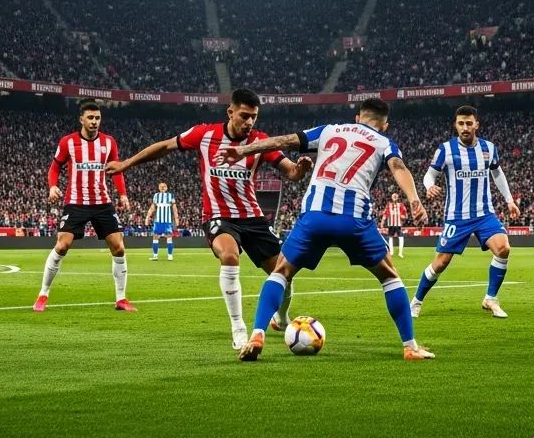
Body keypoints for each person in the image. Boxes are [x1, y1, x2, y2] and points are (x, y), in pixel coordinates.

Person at [223, 98, 434, 362]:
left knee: (282, 271)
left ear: (357, 117)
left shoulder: (329, 130)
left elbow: (283, 141)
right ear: (385, 125)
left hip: (315, 216)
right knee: (390, 276)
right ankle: (410, 346)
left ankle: (257, 333)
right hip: (354, 219)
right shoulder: (383, 142)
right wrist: (414, 200)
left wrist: (244, 151)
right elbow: (398, 167)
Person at [106, 88, 312, 350]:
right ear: (230, 112)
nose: (249, 122)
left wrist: (301, 169)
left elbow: (291, 173)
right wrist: (125, 164)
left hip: (253, 218)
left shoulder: (260, 141)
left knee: (284, 273)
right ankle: (238, 329)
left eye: (254, 117)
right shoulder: (204, 135)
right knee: (229, 255)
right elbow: (165, 146)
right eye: (244, 115)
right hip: (218, 216)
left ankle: (281, 318)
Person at [412, 105, 520, 320]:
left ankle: (491, 298)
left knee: (503, 248)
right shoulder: (445, 149)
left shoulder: (489, 148)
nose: (465, 127)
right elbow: (429, 175)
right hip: (456, 216)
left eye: (469, 123)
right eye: (461, 123)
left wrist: (510, 200)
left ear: (476, 124)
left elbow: (498, 174)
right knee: (441, 262)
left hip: (484, 214)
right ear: (455, 125)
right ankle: (416, 301)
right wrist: (428, 186)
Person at [35, 99, 134, 313]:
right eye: (90, 118)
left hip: (102, 203)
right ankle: (43, 294)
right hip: (75, 202)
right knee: (62, 246)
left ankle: (121, 299)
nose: (94, 122)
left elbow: (115, 170)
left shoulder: (109, 142)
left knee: (118, 247)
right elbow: (54, 168)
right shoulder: (68, 142)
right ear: (81, 119)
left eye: (97, 118)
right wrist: (52, 186)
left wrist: (123, 194)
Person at [145, 181, 179, 261]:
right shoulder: (156, 196)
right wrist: (147, 217)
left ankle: (170, 256)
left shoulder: (170, 195)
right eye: (161, 186)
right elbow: (152, 207)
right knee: (155, 237)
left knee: (169, 237)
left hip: (167, 221)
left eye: (164, 186)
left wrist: (176, 218)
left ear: (166, 188)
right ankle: (155, 256)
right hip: (158, 221)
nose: (163, 188)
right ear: (159, 188)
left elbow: (174, 208)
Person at [380, 191, 408, 258]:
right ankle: (391, 252)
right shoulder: (388, 205)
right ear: (392, 197)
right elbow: (385, 215)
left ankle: (400, 253)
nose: (395, 197)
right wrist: (382, 223)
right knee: (390, 237)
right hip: (391, 224)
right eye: (393, 196)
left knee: (401, 237)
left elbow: (406, 216)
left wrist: (403, 217)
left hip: (398, 224)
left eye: (396, 196)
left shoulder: (401, 205)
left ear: (398, 198)